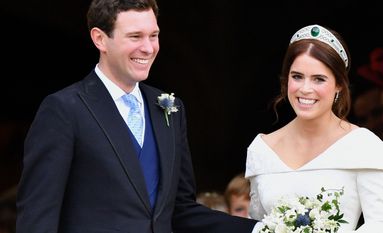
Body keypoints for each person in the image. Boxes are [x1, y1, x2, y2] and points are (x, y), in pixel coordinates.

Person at [15, 0, 259, 232]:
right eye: (135, 36)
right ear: (100, 38)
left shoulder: (171, 109)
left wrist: (261, 229)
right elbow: (38, 216)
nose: (149, 47)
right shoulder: (64, 109)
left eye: (154, 35)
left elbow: (180, 210)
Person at [245, 24, 383, 232]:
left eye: (319, 79)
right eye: (297, 76)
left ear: (339, 85)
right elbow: (257, 225)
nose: (305, 89)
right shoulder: (261, 149)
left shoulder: (365, 145)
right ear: (285, 79)